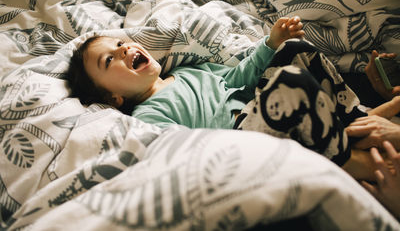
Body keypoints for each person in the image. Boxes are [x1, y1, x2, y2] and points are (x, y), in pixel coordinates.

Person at [67, 16, 395, 181]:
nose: (123, 50)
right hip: (243, 142)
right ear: (113, 98)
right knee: (289, 81)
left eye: (120, 44)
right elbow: (187, 150)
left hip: (270, 111)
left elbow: (239, 77)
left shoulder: (189, 72)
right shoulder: (148, 116)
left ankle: (358, 122)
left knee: (295, 52)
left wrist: (271, 42)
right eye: (109, 60)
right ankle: (355, 161)